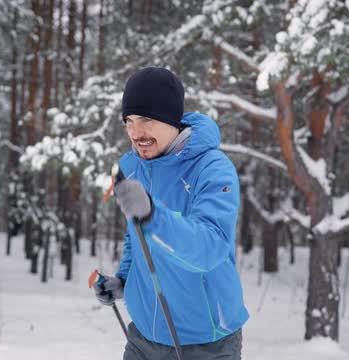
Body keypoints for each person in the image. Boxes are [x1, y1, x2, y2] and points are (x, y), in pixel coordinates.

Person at [92, 67, 249, 360]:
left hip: (205, 343)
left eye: (147, 120)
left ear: (171, 119)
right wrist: (123, 280)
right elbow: (135, 234)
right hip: (143, 337)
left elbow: (211, 247)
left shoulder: (212, 168)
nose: (136, 133)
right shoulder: (132, 165)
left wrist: (153, 214)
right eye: (129, 121)